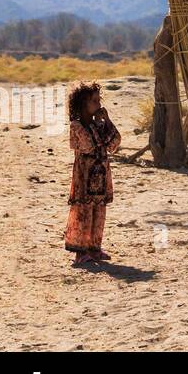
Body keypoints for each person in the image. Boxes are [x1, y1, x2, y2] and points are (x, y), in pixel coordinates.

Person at [64, 82, 122, 266]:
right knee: (84, 211)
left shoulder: (100, 125)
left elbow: (114, 143)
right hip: (84, 175)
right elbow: (90, 145)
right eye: (94, 101)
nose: (98, 105)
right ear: (83, 105)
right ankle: (80, 252)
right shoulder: (77, 126)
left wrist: (108, 121)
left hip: (101, 173)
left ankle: (95, 248)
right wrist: (98, 126)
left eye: (99, 100)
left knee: (99, 210)